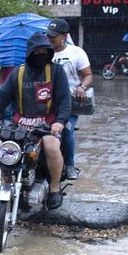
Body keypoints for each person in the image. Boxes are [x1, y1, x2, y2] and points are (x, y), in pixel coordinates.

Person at [0, 31, 71, 210]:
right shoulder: (18, 73)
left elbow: (65, 100)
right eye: (37, 52)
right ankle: (8, 182)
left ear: (49, 52)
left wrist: (60, 121)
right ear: (29, 53)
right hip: (20, 124)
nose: (40, 55)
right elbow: (2, 97)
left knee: (51, 146)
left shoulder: (57, 72)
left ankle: (54, 189)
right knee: (0, 147)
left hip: (47, 125)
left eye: (44, 51)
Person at [47, 18, 92, 182]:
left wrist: (82, 87)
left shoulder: (76, 53)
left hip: (70, 102)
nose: (50, 39)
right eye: (48, 35)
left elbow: (88, 75)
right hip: (46, 101)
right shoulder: (43, 52)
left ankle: (70, 164)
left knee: (67, 129)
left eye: (54, 36)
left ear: (64, 36)